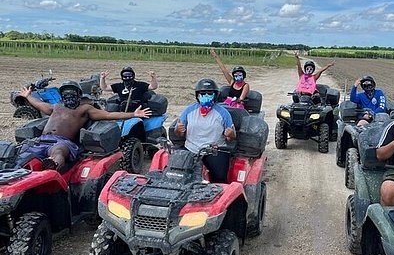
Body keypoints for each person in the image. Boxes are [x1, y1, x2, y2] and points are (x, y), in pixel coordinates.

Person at [17, 80, 151, 170]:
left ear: (78, 95)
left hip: (64, 143)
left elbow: (109, 115)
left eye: (72, 93)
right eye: (65, 94)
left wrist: (133, 114)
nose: (68, 96)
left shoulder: (84, 109)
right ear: (62, 96)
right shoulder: (56, 107)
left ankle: (52, 164)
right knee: (23, 151)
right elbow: (40, 104)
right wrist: (28, 96)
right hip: (42, 141)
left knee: (58, 152)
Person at [174, 78, 236, 183]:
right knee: (177, 176)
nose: (206, 96)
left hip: (214, 151)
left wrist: (230, 134)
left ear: (215, 95)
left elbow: (231, 137)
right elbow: (179, 133)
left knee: (220, 180)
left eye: (209, 93)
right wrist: (178, 129)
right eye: (202, 93)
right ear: (197, 95)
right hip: (191, 149)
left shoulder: (223, 113)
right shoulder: (189, 110)